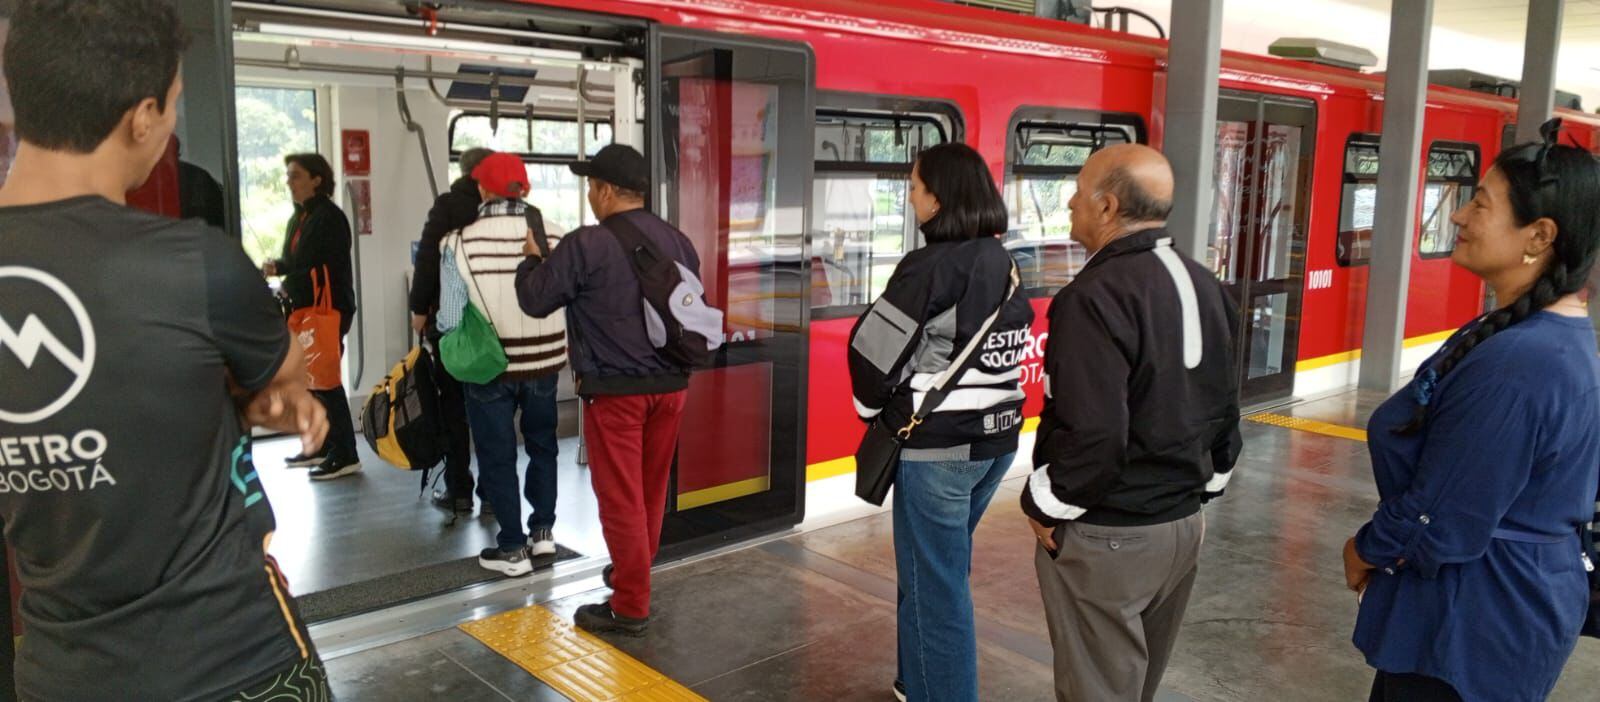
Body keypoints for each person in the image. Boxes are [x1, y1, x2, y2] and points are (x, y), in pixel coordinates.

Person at [0, 1, 333, 698]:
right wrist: (257, 405)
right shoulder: (194, 263)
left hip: (59, 673)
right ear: (142, 117)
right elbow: (286, 380)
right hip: (232, 661)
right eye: (174, 102)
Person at [1342, 125, 1600, 702]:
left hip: (1475, 622)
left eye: (1480, 203)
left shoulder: (1521, 362)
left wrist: (1364, 550)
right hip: (1484, 607)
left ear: (1540, 235)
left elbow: (1443, 515)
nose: (1458, 216)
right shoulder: (1526, 334)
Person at [1022, 144, 1242, 702]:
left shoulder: (1092, 296)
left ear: (1107, 206)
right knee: (1136, 688)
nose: (1069, 202)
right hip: (1182, 527)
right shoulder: (1206, 284)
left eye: (1078, 191)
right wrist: (1205, 486)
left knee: (1097, 689)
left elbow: (1094, 433)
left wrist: (1044, 505)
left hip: (1111, 536)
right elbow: (1224, 405)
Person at [845, 142, 1035, 702]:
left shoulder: (929, 266)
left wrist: (873, 411)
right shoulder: (1005, 262)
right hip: (997, 443)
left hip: (938, 450)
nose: (910, 198)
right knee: (932, 572)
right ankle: (916, 680)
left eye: (914, 187)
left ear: (939, 197)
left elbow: (872, 354)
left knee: (937, 589)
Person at [514, 144, 699, 636]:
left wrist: (530, 261)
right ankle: (631, 573)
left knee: (620, 499)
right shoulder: (679, 242)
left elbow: (535, 300)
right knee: (650, 492)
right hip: (672, 387)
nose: (590, 196)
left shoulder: (587, 244)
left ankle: (630, 604)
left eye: (591, 186)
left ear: (607, 191)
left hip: (616, 393)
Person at [437, 152, 567, 576]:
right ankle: (543, 533)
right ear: (524, 189)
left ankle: (511, 548)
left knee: (497, 454)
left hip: (487, 365)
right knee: (543, 445)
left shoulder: (458, 242)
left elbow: (449, 318)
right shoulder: (557, 235)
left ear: (482, 190)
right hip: (544, 360)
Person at [264, 152, 361, 480]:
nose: (289, 182)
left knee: (325, 380)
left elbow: (320, 266)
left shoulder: (329, 217)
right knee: (310, 380)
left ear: (316, 179)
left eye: (295, 175)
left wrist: (288, 281)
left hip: (327, 309)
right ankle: (323, 445)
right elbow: (297, 262)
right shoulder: (300, 217)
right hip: (305, 308)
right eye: (288, 176)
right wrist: (278, 267)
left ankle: (345, 453)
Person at [410, 146, 491, 515]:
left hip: (451, 323)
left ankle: (459, 488)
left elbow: (427, 259)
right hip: (492, 324)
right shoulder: (503, 209)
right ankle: (493, 491)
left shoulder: (447, 207)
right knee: (491, 409)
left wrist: (418, 308)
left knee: (453, 407)